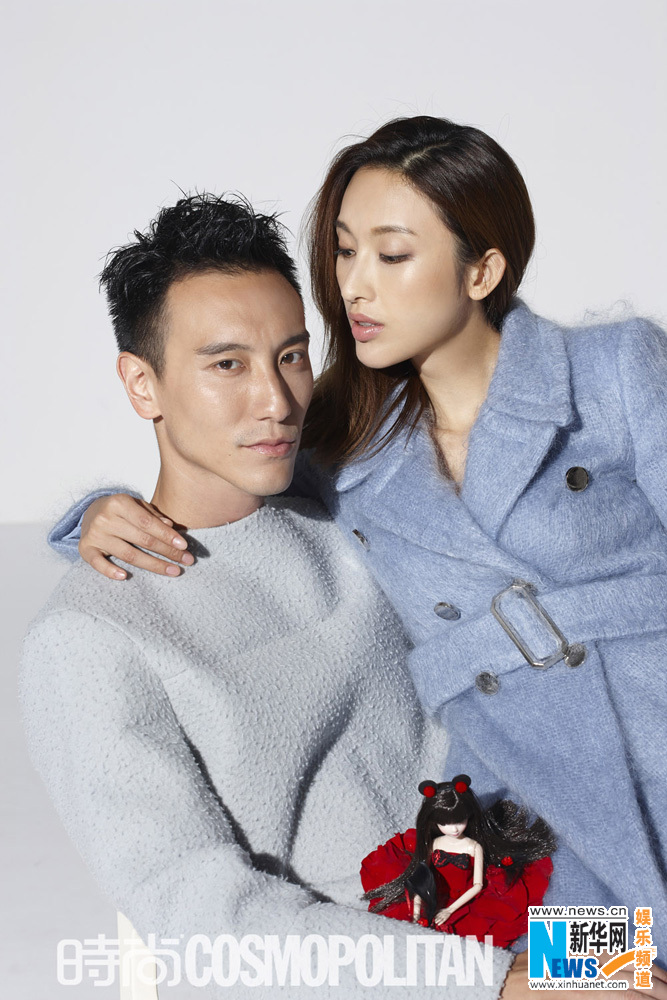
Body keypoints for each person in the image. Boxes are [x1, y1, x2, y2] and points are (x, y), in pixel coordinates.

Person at [48, 118, 667, 972]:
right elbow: (196, 917)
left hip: (606, 797)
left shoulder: (603, 374)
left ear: (481, 271)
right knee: (627, 971)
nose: (355, 287)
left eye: (392, 254)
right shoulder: (341, 447)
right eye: (344, 252)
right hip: (509, 893)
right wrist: (92, 516)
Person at [22, 193, 521, 999]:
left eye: (290, 356)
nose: (276, 401)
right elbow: (201, 920)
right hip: (394, 975)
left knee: (644, 964)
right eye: (227, 365)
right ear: (142, 385)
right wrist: (493, 983)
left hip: (522, 911)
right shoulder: (87, 640)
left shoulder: (340, 503)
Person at [360, 775, 555, 948]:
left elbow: (477, 886)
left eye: (460, 822)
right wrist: (416, 912)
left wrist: (449, 909)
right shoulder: (433, 844)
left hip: (466, 899)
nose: (454, 829)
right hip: (434, 894)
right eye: (444, 823)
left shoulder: (473, 847)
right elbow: (420, 878)